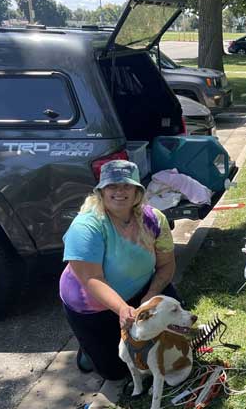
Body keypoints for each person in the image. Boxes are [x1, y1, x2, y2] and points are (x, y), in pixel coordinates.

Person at [59, 160, 182, 379]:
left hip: (141, 292)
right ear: (101, 192)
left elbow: (166, 265)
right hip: (93, 307)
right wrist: (122, 309)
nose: (119, 191)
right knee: (116, 372)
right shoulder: (86, 226)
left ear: (137, 192)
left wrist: (151, 296)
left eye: (127, 186)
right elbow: (92, 279)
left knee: (173, 339)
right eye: (112, 186)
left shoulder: (154, 219)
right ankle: (88, 347)